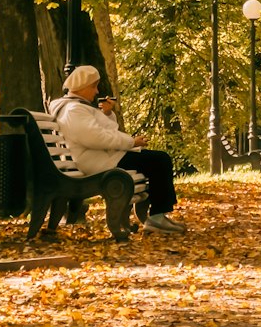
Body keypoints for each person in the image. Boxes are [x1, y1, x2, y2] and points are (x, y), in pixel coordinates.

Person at [49, 66, 184, 233]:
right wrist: (131, 142)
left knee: (157, 159)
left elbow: (100, 131)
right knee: (159, 160)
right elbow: (96, 138)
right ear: (82, 86)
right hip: (95, 161)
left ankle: (157, 216)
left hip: (98, 157)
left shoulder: (75, 107)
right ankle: (156, 217)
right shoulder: (74, 109)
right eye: (93, 86)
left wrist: (106, 113)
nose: (96, 91)